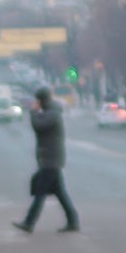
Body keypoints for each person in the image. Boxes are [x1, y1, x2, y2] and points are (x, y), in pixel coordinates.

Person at [14, 86, 79, 233]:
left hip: (51, 160)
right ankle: (73, 220)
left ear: (42, 100)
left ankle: (29, 223)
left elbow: (39, 125)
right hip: (50, 159)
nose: (36, 103)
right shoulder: (50, 112)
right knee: (60, 193)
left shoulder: (53, 114)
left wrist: (33, 111)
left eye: (37, 100)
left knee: (40, 193)